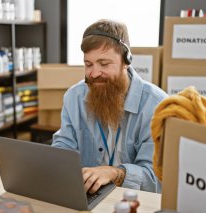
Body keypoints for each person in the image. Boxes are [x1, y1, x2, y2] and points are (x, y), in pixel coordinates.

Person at [51, 19, 167, 194]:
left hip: (133, 200)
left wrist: (116, 173)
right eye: (88, 64)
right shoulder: (74, 97)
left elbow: (156, 179)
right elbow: (64, 145)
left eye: (104, 64)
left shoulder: (156, 106)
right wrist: (53, 162)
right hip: (86, 194)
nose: (94, 73)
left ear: (126, 61)